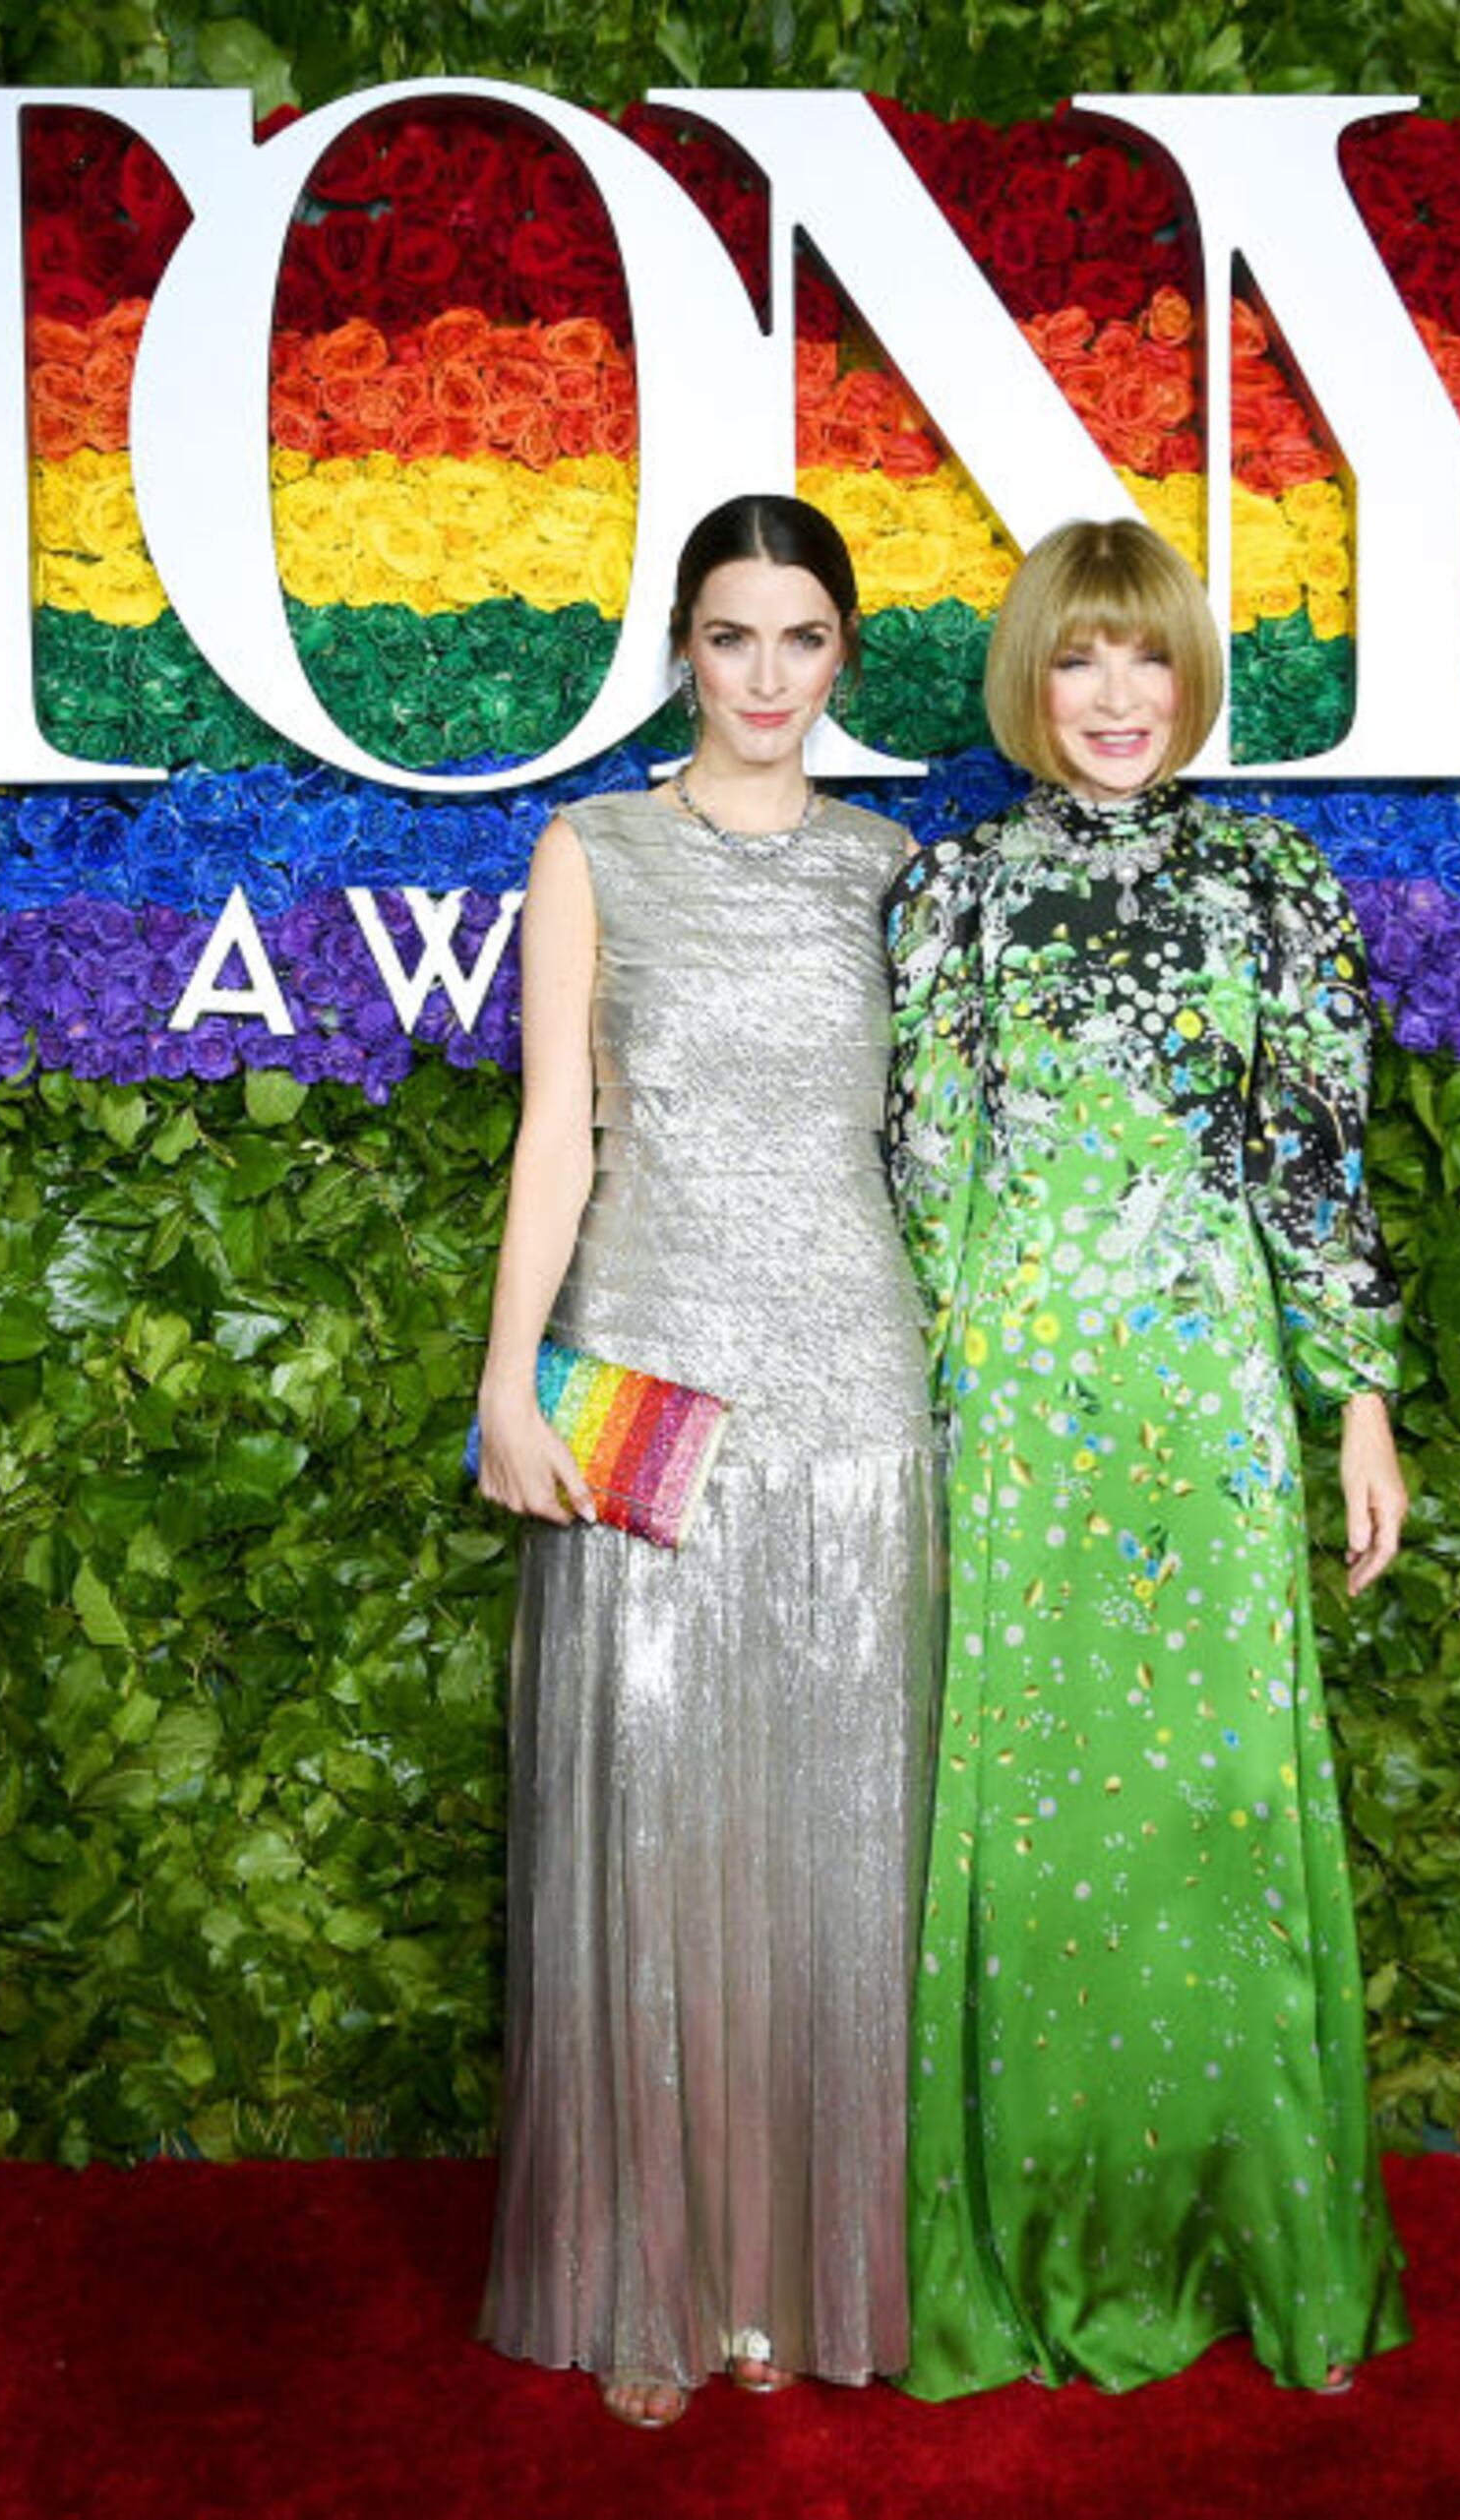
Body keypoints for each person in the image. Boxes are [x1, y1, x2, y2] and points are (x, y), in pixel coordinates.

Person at [884, 517, 1412, 2399]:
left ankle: (1269, 2247)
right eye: (1081, 661)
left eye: (1150, 660)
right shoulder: (950, 892)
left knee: (1221, 1820)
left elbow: (1313, 1154)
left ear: (1190, 676)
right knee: (1030, 1827)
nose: (1118, 698)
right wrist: (944, 1400)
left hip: (1210, 1410)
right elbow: (928, 1164)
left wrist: (1354, 1396)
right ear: (1031, 678)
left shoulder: (1275, 883)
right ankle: (1029, 2248)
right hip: (1021, 1402)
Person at [473, 494, 941, 2428]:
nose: (763, 677)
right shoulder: (591, 848)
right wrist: (508, 1385)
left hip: (853, 1388)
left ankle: (802, 2275)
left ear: (843, 658)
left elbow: (937, 1150)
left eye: (800, 639)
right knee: (652, 1835)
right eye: (730, 637)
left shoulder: (897, 871)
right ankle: (663, 2270)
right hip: (644, 1378)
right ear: (682, 646)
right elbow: (558, 1140)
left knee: (843, 1839)